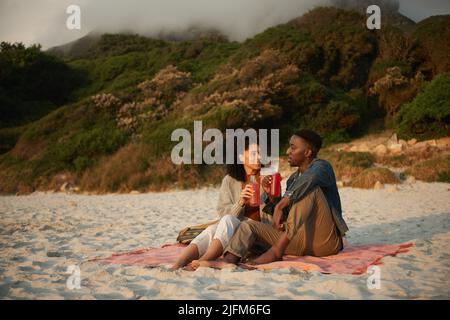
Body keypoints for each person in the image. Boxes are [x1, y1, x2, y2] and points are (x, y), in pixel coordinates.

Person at [223, 129, 349, 265]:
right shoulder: (293, 179)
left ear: (307, 152)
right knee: (248, 226)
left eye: (293, 148)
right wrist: (272, 198)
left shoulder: (323, 167)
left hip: (325, 242)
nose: (288, 151)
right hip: (297, 240)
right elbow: (288, 216)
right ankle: (228, 261)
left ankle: (276, 251)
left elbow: (311, 178)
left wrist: (282, 203)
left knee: (309, 190)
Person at [170, 140, 266, 270]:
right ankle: (178, 264)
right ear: (241, 156)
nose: (259, 157)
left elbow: (273, 215)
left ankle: (201, 262)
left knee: (226, 221)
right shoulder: (229, 180)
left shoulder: (267, 178)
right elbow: (223, 213)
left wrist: (271, 194)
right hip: (234, 229)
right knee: (212, 230)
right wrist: (240, 202)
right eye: (254, 153)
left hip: (254, 233)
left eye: (260, 153)